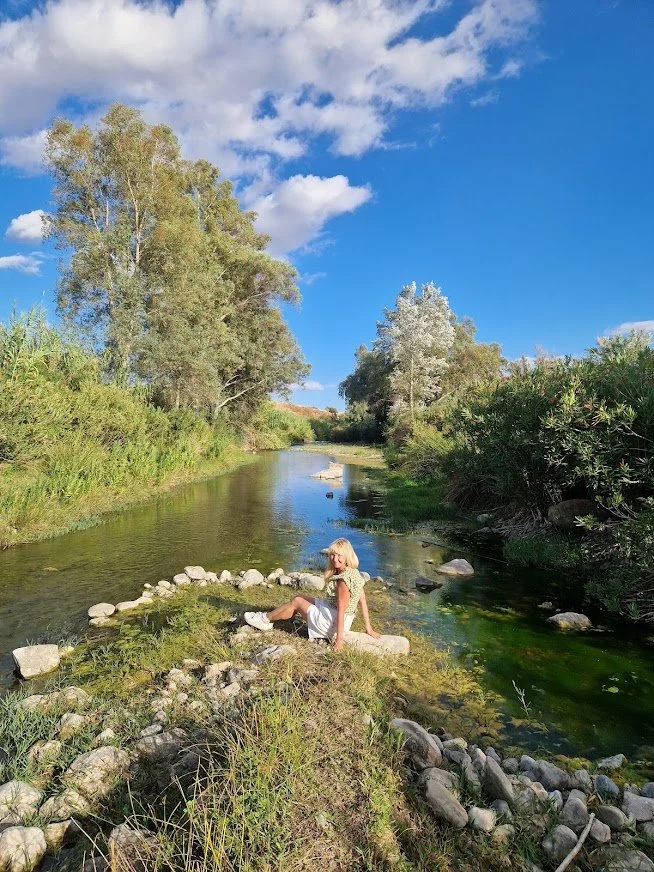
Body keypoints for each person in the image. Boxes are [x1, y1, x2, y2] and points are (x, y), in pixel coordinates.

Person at [244, 538, 381, 651]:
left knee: (297, 601)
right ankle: (286, 614)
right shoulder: (354, 572)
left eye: (339, 555)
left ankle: (264, 620)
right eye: (332, 554)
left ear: (347, 556)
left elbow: (341, 612)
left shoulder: (342, 582)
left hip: (335, 622)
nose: (334, 558)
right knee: (299, 597)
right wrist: (368, 627)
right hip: (339, 615)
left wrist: (339, 641)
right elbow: (362, 599)